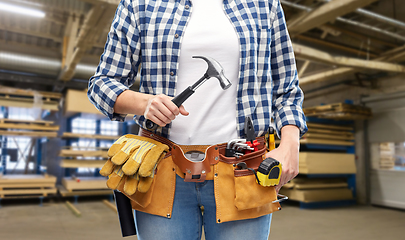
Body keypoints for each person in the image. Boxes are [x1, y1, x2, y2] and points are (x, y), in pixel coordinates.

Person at [88, 0, 307, 239]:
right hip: (162, 170)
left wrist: (290, 143)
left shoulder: (264, 5)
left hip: (243, 170)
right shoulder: (139, 4)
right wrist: (144, 103)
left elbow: (287, 89)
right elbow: (101, 83)